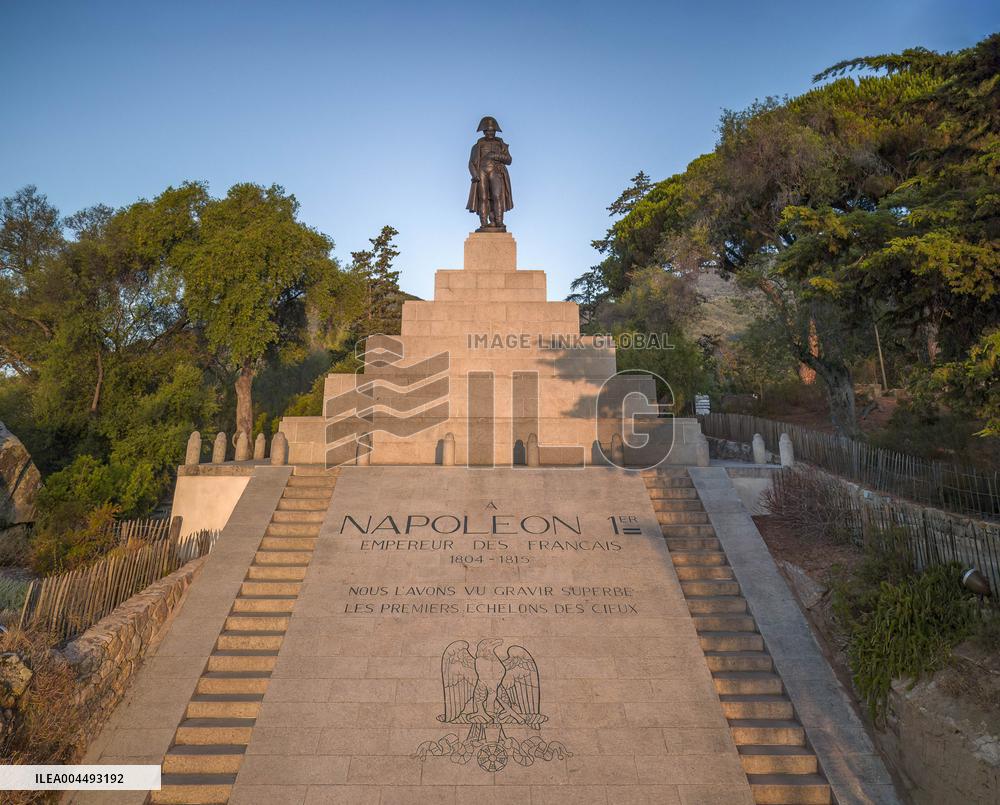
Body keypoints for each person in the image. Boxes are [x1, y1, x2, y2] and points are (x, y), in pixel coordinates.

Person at [466, 116, 513, 231]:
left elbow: (508, 160)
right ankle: (483, 223)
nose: (490, 133)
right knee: (483, 198)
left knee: (497, 196)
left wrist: (494, 156)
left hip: (496, 171)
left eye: (492, 130)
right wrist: (474, 175)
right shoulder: (477, 146)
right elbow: (471, 162)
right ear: (484, 131)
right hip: (482, 171)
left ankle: (499, 222)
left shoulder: (501, 144)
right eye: (487, 131)